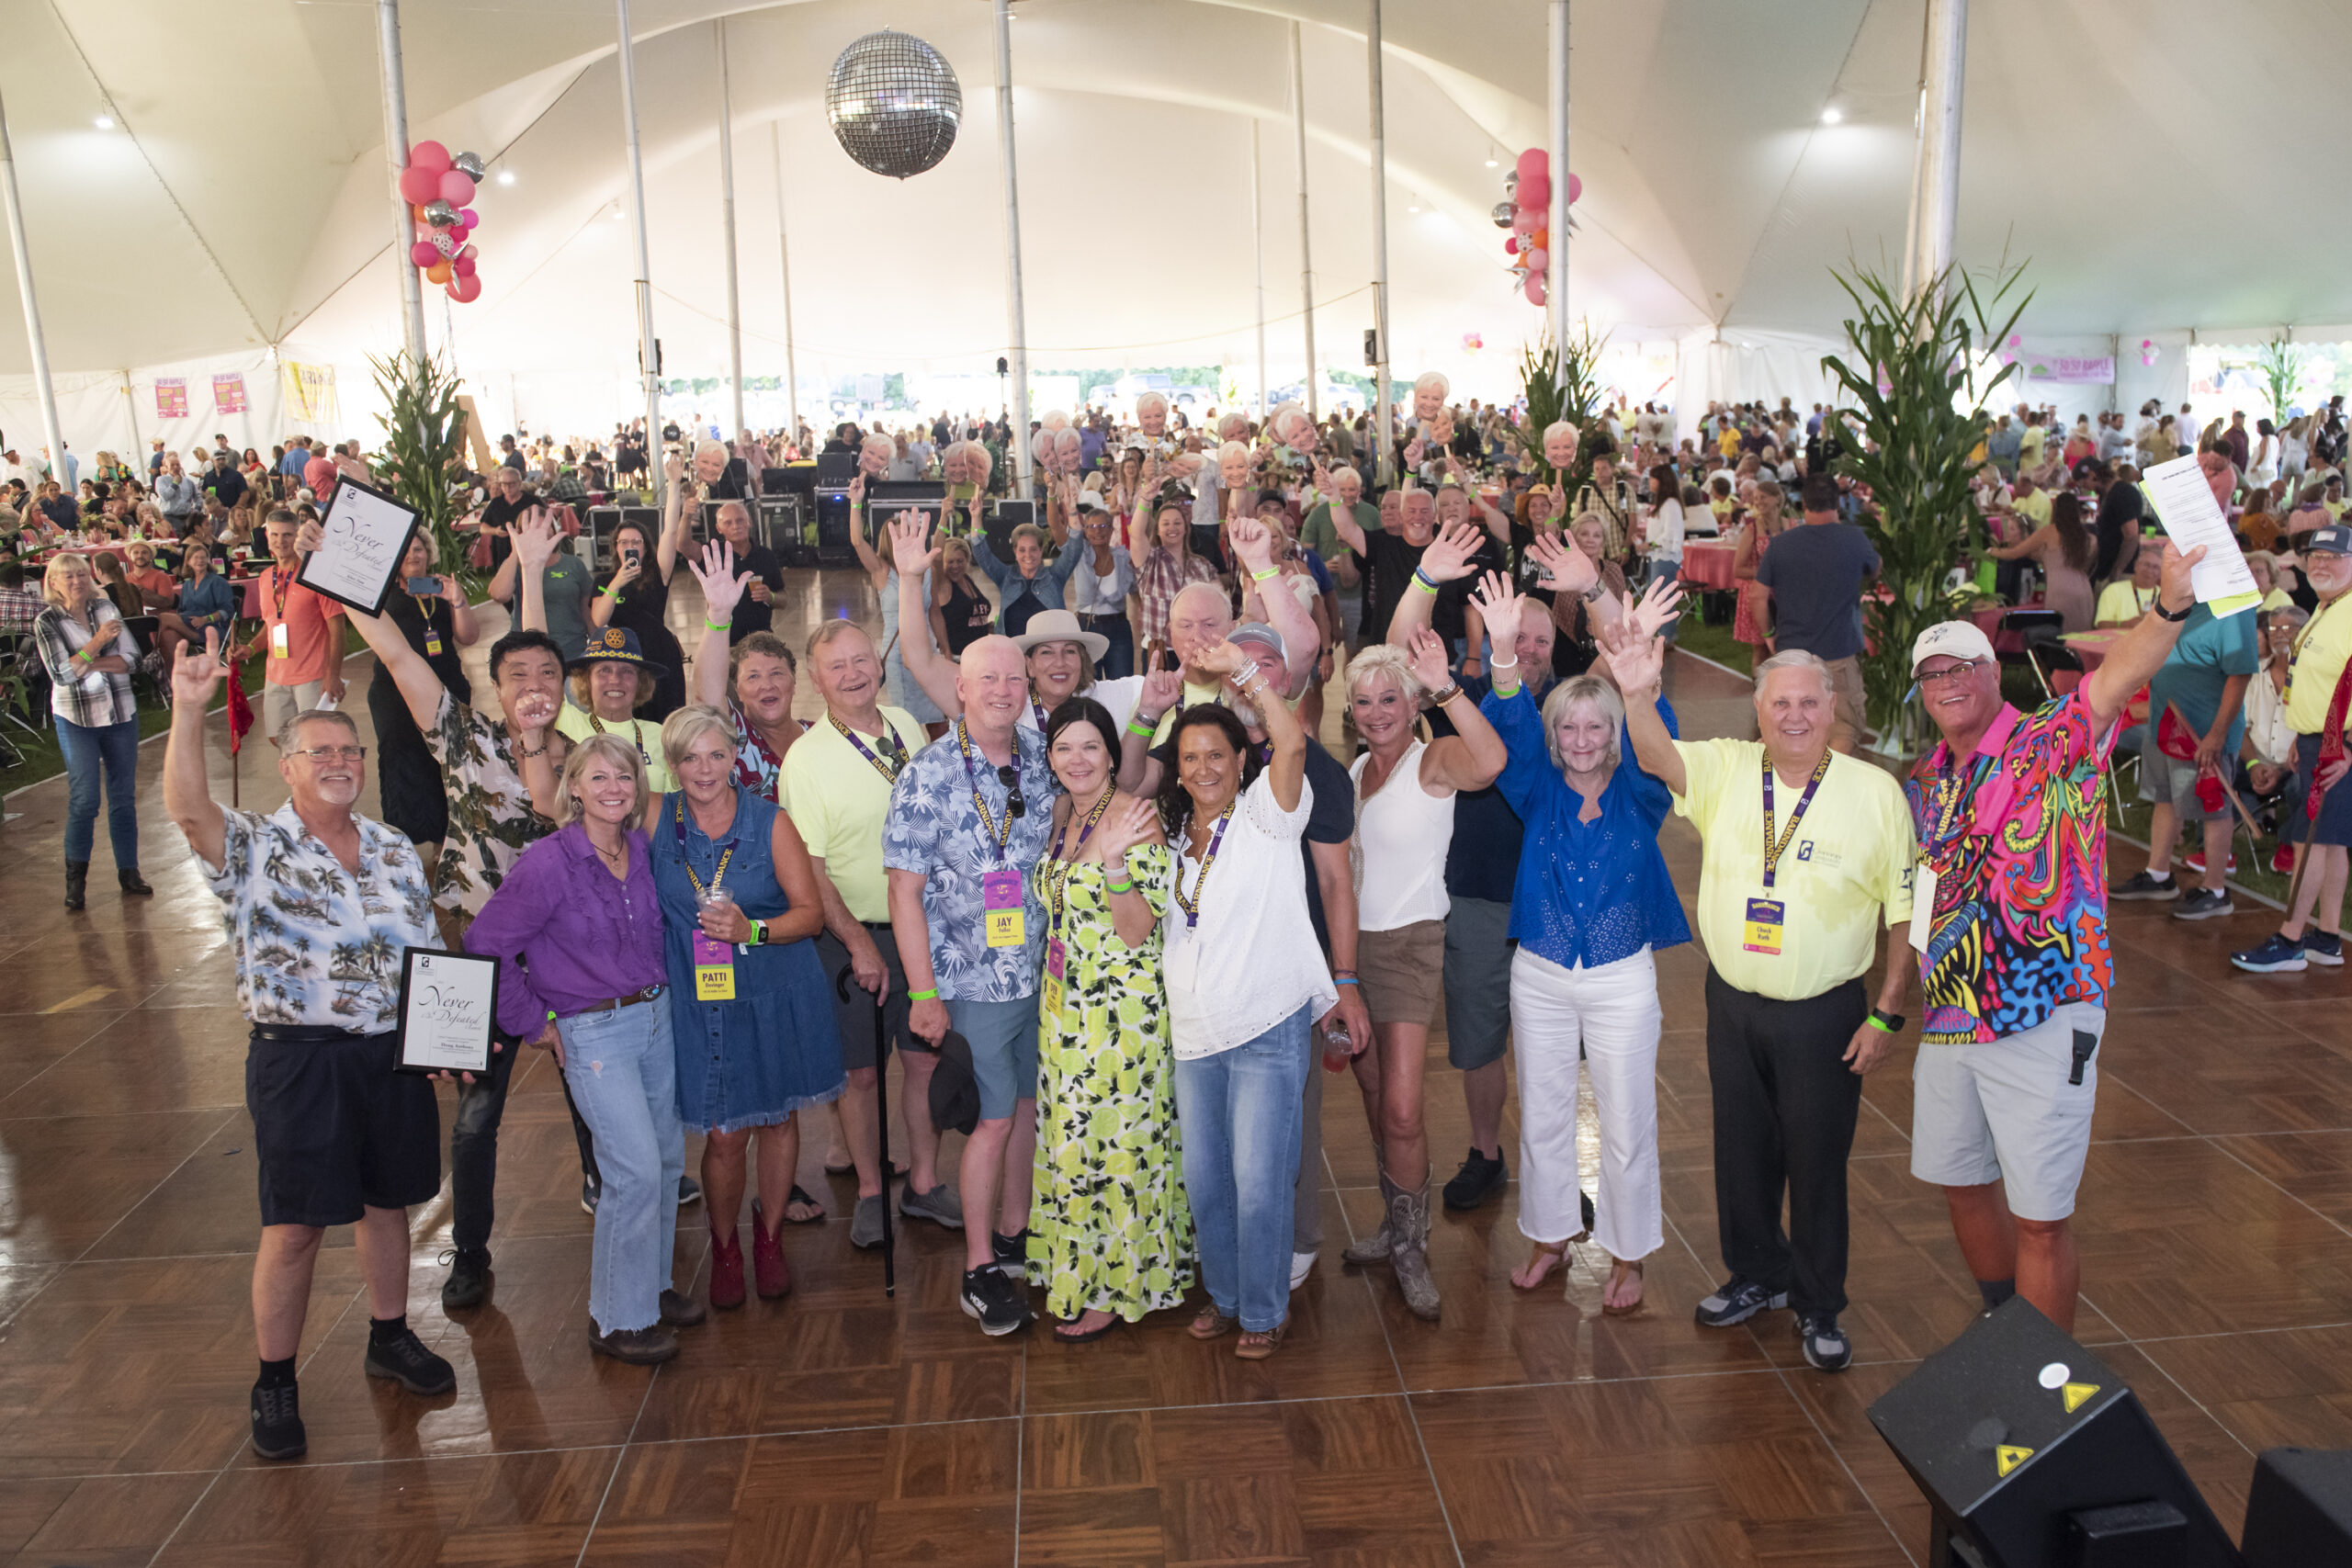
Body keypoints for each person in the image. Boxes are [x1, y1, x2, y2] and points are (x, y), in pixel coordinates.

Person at [1898, 541, 2208, 1334]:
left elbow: (2117, 679)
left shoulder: (2048, 740)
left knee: (2040, 1213)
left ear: (1994, 672)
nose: (1950, 683)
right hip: (1953, 1015)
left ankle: (2043, 1373)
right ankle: (2005, 1322)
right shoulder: (1929, 777)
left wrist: (2169, 605)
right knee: (1961, 1178)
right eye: (1934, 675)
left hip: (2043, 1011)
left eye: (1964, 666)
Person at [162, 642, 455, 1460]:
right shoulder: (253, 846)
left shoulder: (394, 847)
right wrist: (189, 710)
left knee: (387, 1202)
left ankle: (389, 1335)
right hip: (301, 1061)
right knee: (293, 1226)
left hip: (389, 1055)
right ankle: (275, 1378)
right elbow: (188, 812)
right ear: (286, 766)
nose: (337, 760)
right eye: (317, 750)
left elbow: (426, 954)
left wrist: (443, 1035)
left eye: (348, 749)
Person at [1602, 630, 1917, 1373]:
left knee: (1816, 1161)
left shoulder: (1875, 793)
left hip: (1826, 1012)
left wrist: (1888, 1010)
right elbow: (1654, 754)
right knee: (1741, 1150)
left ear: (1833, 706)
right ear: (1759, 707)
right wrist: (1637, 692)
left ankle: (1818, 1302)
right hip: (1734, 1001)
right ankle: (1756, 1274)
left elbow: (1907, 911)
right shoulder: (1728, 767)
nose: (1796, 715)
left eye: (1810, 701)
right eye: (1783, 702)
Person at [702, 545, 954, 1247]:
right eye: (835, 666)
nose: (852, 674)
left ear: (878, 665)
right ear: (816, 679)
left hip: (924, 929)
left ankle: (926, 1181)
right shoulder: (806, 761)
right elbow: (809, 871)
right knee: (862, 1073)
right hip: (858, 937)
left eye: (860, 661)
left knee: (924, 1060)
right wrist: (855, 944)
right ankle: (873, 1189)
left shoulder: (906, 726)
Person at [464, 735, 707, 1362]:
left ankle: (648, 1290)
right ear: (573, 786)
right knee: (630, 1170)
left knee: (662, 1163)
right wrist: (533, 1022)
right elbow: (485, 941)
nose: (613, 788)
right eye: (598, 777)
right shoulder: (548, 863)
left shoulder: (641, 849)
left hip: (656, 1019)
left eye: (624, 777)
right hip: (594, 1031)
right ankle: (617, 1320)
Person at [1486, 615, 1688, 1314]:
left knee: (1627, 1119)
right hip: (1539, 974)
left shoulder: (1642, 789)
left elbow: (1660, 746)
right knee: (1541, 1113)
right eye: (1567, 730)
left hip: (1621, 976)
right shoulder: (1534, 786)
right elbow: (1508, 724)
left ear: (1614, 734)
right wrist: (1505, 652)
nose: (1580, 742)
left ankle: (1629, 1255)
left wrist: (1641, 688)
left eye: (1595, 728)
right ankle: (1550, 1237)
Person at [1159, 650, 1337, 1359]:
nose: (1203, 767)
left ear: (1240, 760)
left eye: (1216, 754)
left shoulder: (1269, 815)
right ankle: (1227, 1297)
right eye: (1190, 757)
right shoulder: (1173, 839)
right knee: (1206, 1183)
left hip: (1267, 1026)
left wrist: (1243, 672)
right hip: (1196, 1035)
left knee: (1260, 1182)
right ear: (1177, 768)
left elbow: (1291, 740)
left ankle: (1263, 1311)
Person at [882, 636, 1061, 1337]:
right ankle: (979, 1266)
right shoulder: (927, 774)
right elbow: (903, 890)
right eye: (988, 677)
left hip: (1038, 975)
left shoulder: (1042, 758)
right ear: (958, 686)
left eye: (1015, 678)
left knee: (1023, 1104)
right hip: (971, 981)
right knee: (990, 1119)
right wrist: (923, 994)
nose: (1003, 689)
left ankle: (1015, 1231)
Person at [1330, 623, 1506, 1320]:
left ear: (1411, 704)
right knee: (1376, 1103)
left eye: (1390, 700)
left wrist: (1448, 689)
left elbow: (1491, 760)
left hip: (1408, 944)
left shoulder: (1432, 761)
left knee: (1404, 1105)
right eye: (1365, 701)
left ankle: (1414, 1246)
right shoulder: (1353, 773)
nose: (1377, 712)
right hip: (1353, 952)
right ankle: (1394, 1224)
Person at [653, 706, 845, 1307]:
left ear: (735, 756)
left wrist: (752, 932)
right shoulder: (654, 815)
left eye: (715, 754)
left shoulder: (771, 821)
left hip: (773, 989)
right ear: (673, 763)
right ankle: (725, 1247)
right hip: (701, 999)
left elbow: (810, 914)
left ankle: (768, 1240)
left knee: (777, 1120)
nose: (704, 769)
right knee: (724, 1134)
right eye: (690, 757)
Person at [1026, 698, 1193, 1339]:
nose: (1077, 759)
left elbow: (1136, 932)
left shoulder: (1134, 817)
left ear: (1111, 755)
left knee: (1118, 1145)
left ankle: (1118, 1284)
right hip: (1066, 1009)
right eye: (1064, 747)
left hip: (1121, 1017)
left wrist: (1118, 867)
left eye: (1090, 746)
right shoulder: (1064, 812)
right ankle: (1078, 1265)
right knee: (1076, 1144)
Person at [2234, 523, 2352, 974]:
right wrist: (2305, 736)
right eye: (2315, 556)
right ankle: (2328, 935)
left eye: (2333, 557)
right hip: (2316, 742)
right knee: (2334, 844)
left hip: (2337, 749)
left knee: (2310, 845)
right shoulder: (2326, 606)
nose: (2321, 564)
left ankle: (2291, 940)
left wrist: (2345, 750)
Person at [33, 554, 151, 909]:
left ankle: (129, 872)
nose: (76, 581)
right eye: (67, 576)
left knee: (123, 798)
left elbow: (133, 660)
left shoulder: (106, 609)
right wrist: (99, 642)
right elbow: (61, 675)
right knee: (85, 800)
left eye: (82, 574)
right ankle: (76, 883)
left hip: (120, 714)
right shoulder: (47, 621)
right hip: (76, 719)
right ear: (53, 582)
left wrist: (86, 660)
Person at [370, 534, 479, 877]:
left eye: (418, 549)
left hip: (445, 686)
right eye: (405, 551)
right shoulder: (383, 594)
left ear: (429, 553)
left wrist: (458, 600)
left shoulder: (442, 589)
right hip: (395, 692)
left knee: (446, 764)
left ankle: (444, 839)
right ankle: (405, 840)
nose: (412, 556)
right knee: (403, 760)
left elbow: (468, 637)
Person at [1756, 474, 1878, 750]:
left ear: (1803, 504)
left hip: (1790, 655)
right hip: (1839, 653)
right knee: (1843, 729)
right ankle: (1828, 790)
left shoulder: (1781, 544)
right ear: (1838, 501)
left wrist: (1768, 634)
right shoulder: (1855, 539)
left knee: (1784, 728)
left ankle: (1775, 787)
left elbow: (1758, 596)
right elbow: (1876, 569)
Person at [231, 508, 346, 741]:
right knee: (279, 739)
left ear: (298, 537)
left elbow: (338, 629)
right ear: (267, 538)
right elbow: (271, 626)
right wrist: (251, 648)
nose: (280, 541)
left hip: (312, 677)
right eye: (275, 535)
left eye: (287, 535)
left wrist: (332, 674)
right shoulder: (264, 578)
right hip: (276, 676)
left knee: (315, 742)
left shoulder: (315, 575)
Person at [587, 515, 689, 720]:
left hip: (659, 655)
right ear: (616, 547)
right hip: (625, 659)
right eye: (624, 542)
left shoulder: (659, 573)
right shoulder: (605, 580)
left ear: (645, 547)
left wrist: (674, 485)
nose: (630, 546)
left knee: (667, 715)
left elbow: (669, 530)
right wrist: (616, 584)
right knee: (629, 716)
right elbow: (599, 620)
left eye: (636, 542)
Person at [554, 627, 676, 797]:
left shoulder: (662, 735)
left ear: (640, 682)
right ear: (586, 680)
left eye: (626, 671)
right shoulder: (567, 721)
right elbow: (538, 657)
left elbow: (676, 803)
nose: (615, 679)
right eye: (604, 670)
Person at [487, 495, 596, 659]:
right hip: (527, 652)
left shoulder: (573, 564)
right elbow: (500, 594)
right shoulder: (515, 566)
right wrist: (518, 551)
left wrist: (596, 645)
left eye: (545, 528)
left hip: (571, 651)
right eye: (533, 530)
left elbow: (587, 610)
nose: (540, 535)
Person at [1987, 491, 2098, 633]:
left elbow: (2014, 554)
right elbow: (2073, 563)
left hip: (2060, 593)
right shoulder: (2090, 539)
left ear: (2056, 510)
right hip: (2084, 593)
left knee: (2057, 639)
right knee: (2081, 641)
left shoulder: (2048, 533)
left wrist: (1990, 551)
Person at [1064, 492, 1136, 679]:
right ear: (1085, 531)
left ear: (1112, 530)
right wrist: (1053, 496)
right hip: (1087, 627)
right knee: (1088, 690)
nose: (1097, 531)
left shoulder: (1123, 557)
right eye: (1092, 527)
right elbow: (1057, 530)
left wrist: (1141, 626)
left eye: (1103, 526)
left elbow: (1136, 595)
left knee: (1122, 687)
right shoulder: (1078, 555)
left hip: (1119, 628)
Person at [972, 519, 1080, 639]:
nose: (1028, 555)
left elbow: (1073, 551)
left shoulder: (1055, 575)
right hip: (1012, 649)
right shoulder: (1005, 576)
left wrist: (1072, 513)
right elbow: (981, 551)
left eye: (1033, 549)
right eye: (1022, 550)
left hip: (1047, 649)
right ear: (1015, 552)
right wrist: (975, 516)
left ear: (1041, 550)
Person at [2093, 545, 2163, 627]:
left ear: (2161, 573)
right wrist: (2125, 624)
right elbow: (2101, 625)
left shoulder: (2165, 596)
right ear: (2136, 566)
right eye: (2146, 565)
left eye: (2155, 567)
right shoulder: (2114, 590)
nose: (2149, 570)